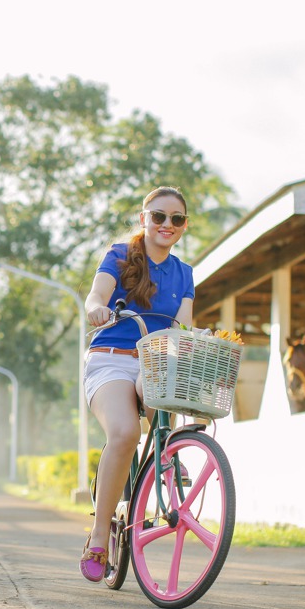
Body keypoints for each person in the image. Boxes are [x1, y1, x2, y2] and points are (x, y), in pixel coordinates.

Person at [79, 186, 194, 582]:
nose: (167, 225)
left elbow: (182, 326)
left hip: (153, 363)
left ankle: (167, 454)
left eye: (176, 219)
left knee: (166, 384)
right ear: (144, 217)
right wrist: (96, 308)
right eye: (159, 216)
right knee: (125, 433)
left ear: (183, 226)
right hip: (111, 358)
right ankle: (98, 535)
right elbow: (98, 293)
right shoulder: (120, 254)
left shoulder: (185, 274)